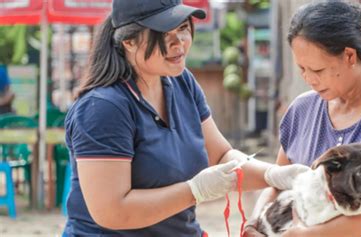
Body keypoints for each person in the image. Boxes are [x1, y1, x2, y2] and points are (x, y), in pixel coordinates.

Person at [62, 0, 309, 236]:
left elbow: (221, 156)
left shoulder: (180, 82)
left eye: (182, 28)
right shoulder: (103, 108)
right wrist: (194, 191)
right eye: (163, 34)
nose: (178, 42)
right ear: (129, 41)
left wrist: (273, 175)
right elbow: (112, 212)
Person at [243, 1, 361, 236]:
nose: (309, 79)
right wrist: (253, 224)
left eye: (317, 70)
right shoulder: (302, 109)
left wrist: (310, 235)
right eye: (302, 69)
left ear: (349, 55)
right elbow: (278, 183)